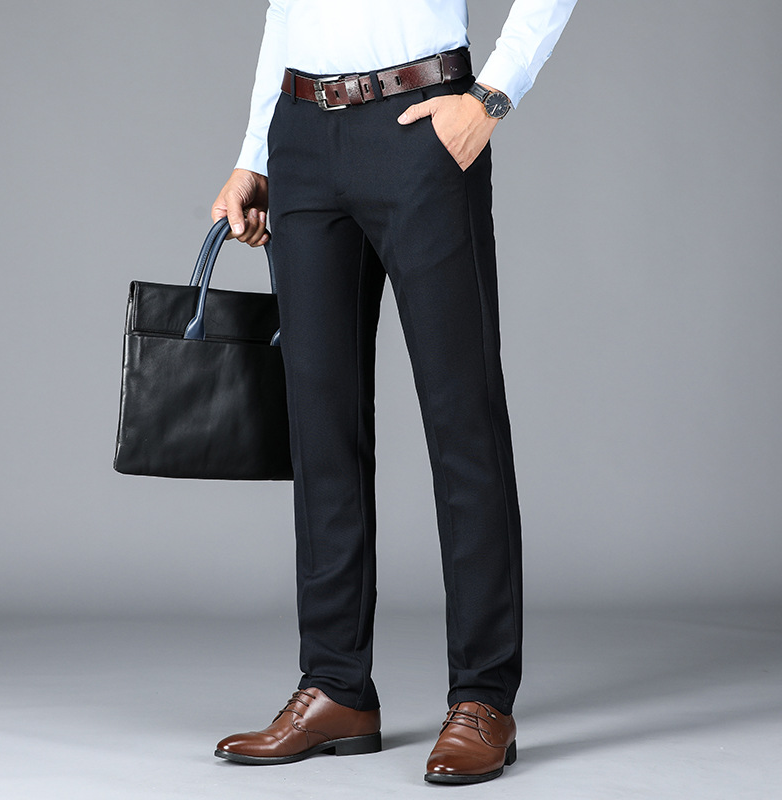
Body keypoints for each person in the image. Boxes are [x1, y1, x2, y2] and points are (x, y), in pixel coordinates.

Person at [211, 0, 577, 785]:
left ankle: (483, 698)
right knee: (320, 426)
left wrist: (492, 96)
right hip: (301, 135)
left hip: (421, 125)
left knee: (461, 417)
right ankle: (335, 687)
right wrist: (255, 155)